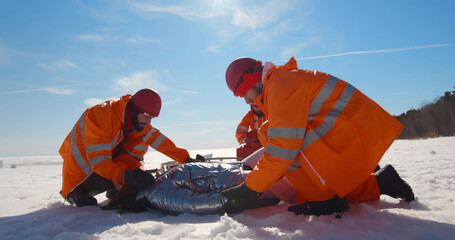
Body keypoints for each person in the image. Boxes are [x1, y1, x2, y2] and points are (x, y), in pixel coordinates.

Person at [222, 57, 415, 216]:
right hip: (346, 132)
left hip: (351, 133)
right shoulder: (279, 83)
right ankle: (376, 184)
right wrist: (259, 184)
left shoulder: (280, 85)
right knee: (271, 134)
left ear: (249, 80)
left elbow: (282, 151)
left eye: (243, 93)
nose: (246, 100)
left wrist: (249, 189)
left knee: (280, 140)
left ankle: (325, 200)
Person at [59, 88, 204, 207]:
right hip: (79, 176)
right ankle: (74, 193)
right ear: (134, 109)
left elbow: (159, 140)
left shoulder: (134, 122)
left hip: (104, 170)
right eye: (147, 116)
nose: (148, 121)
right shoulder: (100, 115)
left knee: (138, 177)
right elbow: (98, 161)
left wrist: (185, 158)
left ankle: (115, 187)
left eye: (152, 118)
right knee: (86, 202)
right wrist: (127, 177)